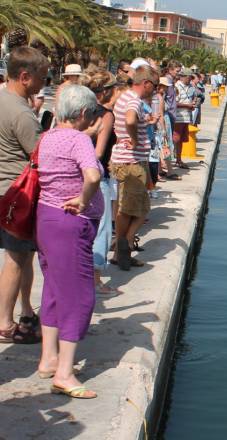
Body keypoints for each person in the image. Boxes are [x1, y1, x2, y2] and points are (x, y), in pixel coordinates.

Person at [36, 84, 102, 398]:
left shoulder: (47, 136)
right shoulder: (78, 139)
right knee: (78, 296)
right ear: (83, 113)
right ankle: (64, 372)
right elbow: (92, 176)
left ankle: (48, 358)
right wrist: (83, 199)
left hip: (46, 220)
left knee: (52, 290)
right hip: (70, 224)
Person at [0, 46, 49, 344]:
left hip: (5, 192)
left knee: (22, 256)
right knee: (17, 258)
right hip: (15, 195)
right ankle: (5, 323)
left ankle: (27, 312)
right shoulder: (21, 113)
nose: (45, 82)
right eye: (42, 77)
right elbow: (40, 154)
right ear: (25, 76)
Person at [110, 65, 159, 271]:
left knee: (133, 207)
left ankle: (124, 244)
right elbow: (130, 119)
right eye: (154, 86)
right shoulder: (134, 100)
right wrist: (134, 139)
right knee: (133, 209)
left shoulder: (124, 96)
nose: (155, 90)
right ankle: (123, 246)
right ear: (146, 83)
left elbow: (130, 119)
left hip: (128, 160)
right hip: (131, 162)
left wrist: (143, 123)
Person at [83, 70, 122, 295]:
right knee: (102, 228)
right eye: (116, 88)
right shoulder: (106, 115)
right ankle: (96, 280)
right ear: (106, 92)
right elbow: (98, 152)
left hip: (79, 175)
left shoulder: (84, 110)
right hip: (98, 177)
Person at [174, 73, 196, 168]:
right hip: (178, 117)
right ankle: (169, 159)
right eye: (188, 78)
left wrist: (192, 104)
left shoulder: (190, 87)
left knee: (181, 140)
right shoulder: (176, 86)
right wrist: (187, 105)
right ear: (182, 77)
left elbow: (195, 96)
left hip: (186, 117)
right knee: (175, 139)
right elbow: (174, 103)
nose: (190, 80)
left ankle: (179, 160)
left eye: (191, 78)